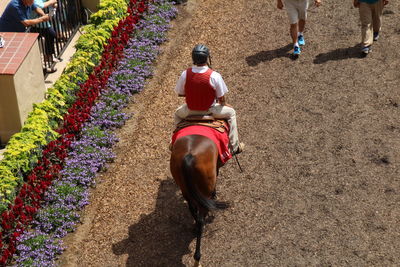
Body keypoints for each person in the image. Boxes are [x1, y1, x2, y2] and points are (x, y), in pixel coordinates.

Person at [174, 44, 244, 155]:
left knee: (177, 114)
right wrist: (224, 104)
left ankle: (174, 143)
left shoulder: (185, 74)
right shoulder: (214, 75)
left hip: (189, 110)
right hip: (210, 110)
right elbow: (221, 97)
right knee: (232, 113)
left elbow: (180, 93)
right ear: (207, 58)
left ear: (193, 58)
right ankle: (235, 146)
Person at [30, 0, 60, 73]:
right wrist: (52, 2)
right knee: (35, 46)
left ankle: (48, 57)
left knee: (51, 34)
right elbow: (38, 5)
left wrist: (54, 3)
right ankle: (42, 67)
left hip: (43, 23)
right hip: (33, 24)